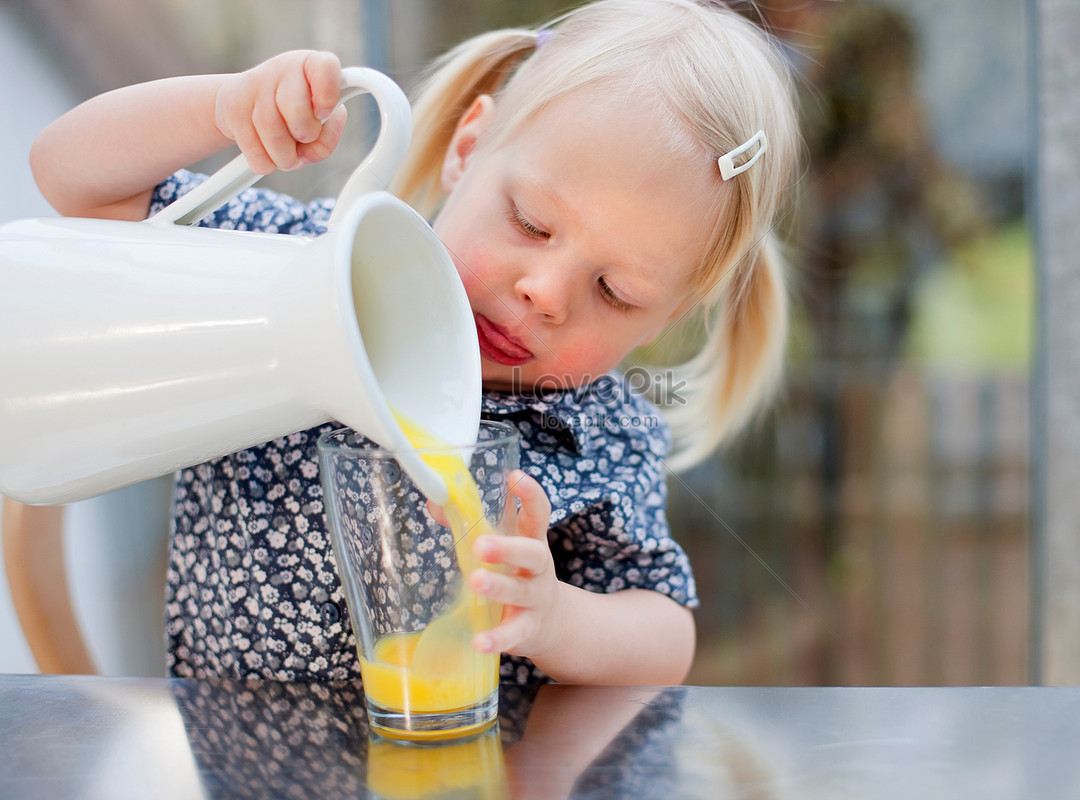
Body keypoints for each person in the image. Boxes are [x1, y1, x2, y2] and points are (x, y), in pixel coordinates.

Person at [30, 0, 799, 687]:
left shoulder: (599, 435)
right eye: (530, 223)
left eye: (615, 292)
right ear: (469, 146)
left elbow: (666, 635)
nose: (546, 292)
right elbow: (71, 178)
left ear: (665, 318)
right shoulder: (303, 266)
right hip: (237, 762)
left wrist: (559, 618)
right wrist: (226, 107)